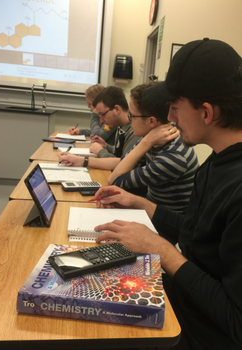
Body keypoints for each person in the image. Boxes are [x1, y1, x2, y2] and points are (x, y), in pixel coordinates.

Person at [89, 38, 242, 350]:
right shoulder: (217, 160)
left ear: (207, 112)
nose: (170, 118)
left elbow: (236, 322)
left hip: (196, 332)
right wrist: (141, 203)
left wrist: (162, 250)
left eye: (175, 107)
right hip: (181, 304)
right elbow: (195, 231)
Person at [108, 82, 198, 212]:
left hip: (166, 224)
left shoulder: (173, 156)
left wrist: (146, 142)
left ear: (151, 121)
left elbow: (114, 180)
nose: (128, 120)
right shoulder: (152, 137)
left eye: (131, 115)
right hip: (151, 210)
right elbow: (123, 164)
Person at [58, 86, 141, 169]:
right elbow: (120, 152)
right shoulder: (121, 126)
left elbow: (123, 164)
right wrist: (105, 145)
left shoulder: (134, 131)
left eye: (103, 114)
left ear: (117, 109)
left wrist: (100, 151)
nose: (101, 120)